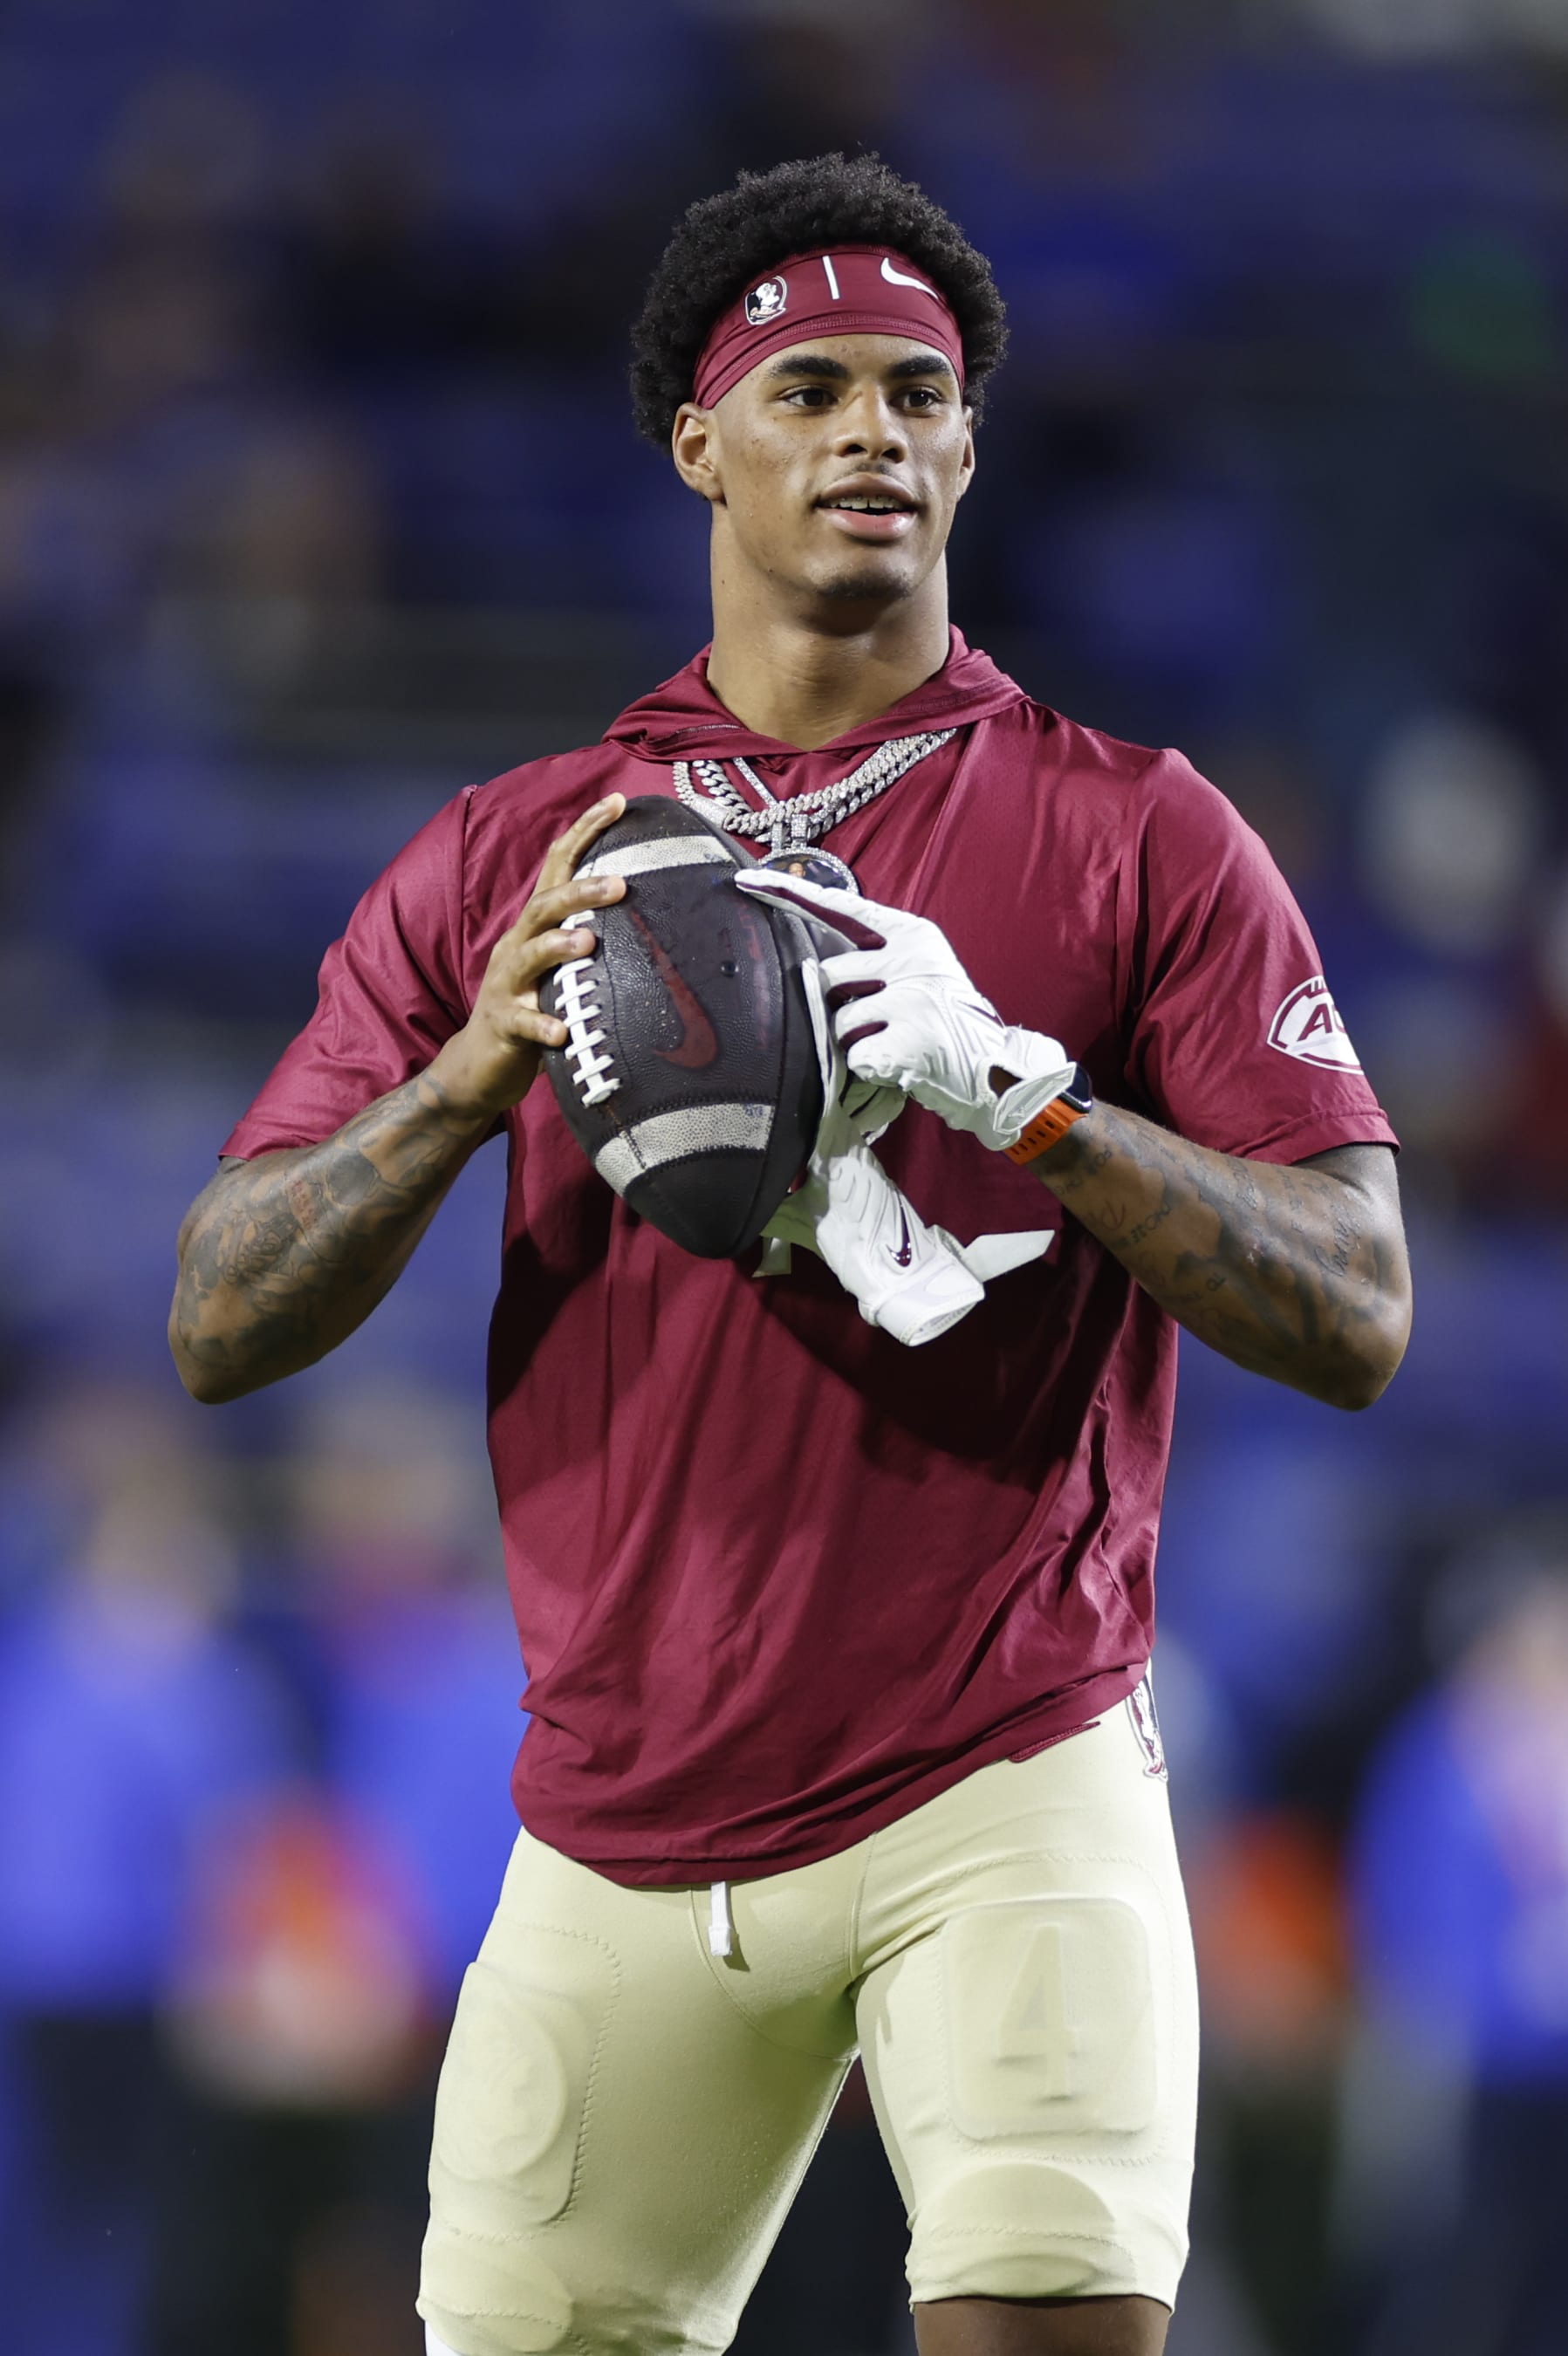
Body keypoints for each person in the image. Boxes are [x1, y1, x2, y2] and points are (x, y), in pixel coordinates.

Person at [169, 154, 1412, 2356]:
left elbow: (1357, 1309)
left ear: (968, 450)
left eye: (917, 396)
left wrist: (1031, 1104)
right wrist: (463, 1082)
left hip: (1003, 1766)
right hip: (620, 1803)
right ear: (698, 443)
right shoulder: (512, 852)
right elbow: (217, 1315)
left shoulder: (1136, 829)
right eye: (810, 389)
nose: (872, 436)